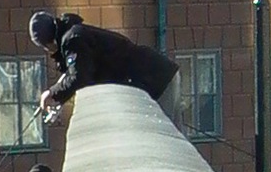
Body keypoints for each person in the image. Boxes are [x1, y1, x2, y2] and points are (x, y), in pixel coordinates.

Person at [28, 10, 180, 120]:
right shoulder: (75, 35)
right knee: (176, 137)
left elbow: (79, 77)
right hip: (159, 74)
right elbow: (77, 71)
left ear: (48, 43)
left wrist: (53, 94)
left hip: (156, 80)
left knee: (171, 138)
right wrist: (59, 95)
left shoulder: (73, 40)